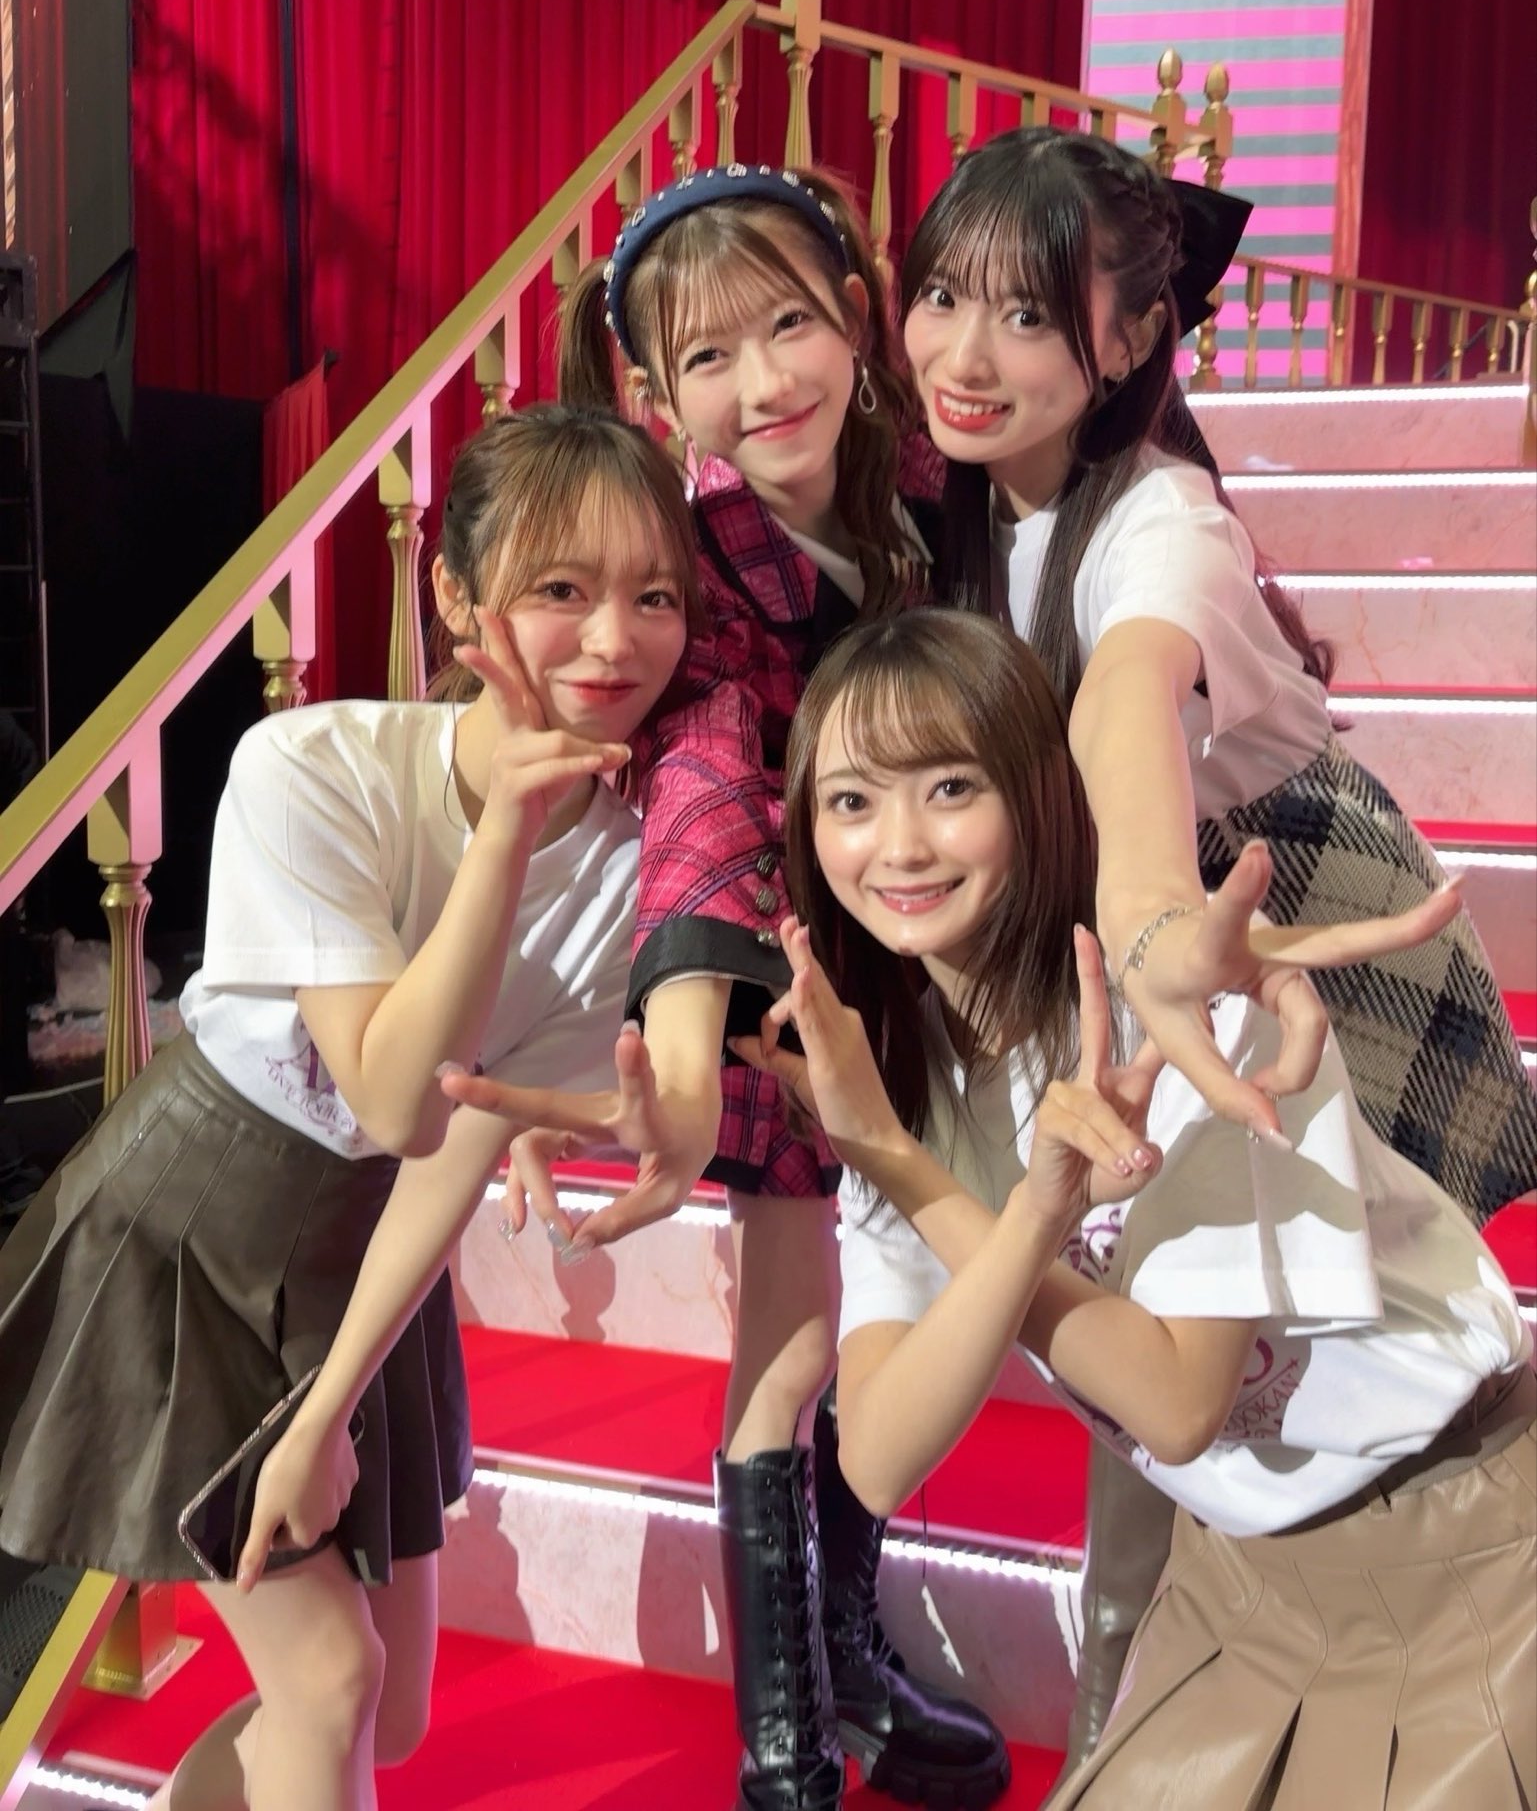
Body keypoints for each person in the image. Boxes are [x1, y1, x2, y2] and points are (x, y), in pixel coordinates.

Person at [897, 126, 1537, 1754]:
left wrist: (1151, 929)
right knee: (1184, 1393)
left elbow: (1121, 703)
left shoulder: (1160, 521)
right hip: (1190, 963)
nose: (963, 353)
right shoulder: (982, 497)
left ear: (1126, 340)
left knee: (1261, 1395)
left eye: (1025, 315)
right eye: (942, 297)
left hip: (1285, 952)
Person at [0, 405, 695, 1811]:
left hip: (367, 1258)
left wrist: (325, 1408)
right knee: (327, 1680)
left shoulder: (634, 867)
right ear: (458, 593)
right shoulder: (311, 766)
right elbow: (387, 1093)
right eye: (561, 588)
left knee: (391, 1713)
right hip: (191, 1231)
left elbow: (450, 1144)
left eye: (655, 596)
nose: (612, 640)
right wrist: (501, 835)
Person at [737, 606, 1533, 1811]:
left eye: (949, 787)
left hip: (1464, 1536)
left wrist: (907, 1168)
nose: (897, 844)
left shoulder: (1184, 1017)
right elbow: (881, 1456)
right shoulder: (900, 1082)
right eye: (851, 800)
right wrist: (941, 1175)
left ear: (1035, 794)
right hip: (1247, 1574)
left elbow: (1174, 1400)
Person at [521, 164, 1010, 1811]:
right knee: (792, 1347)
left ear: (858, 318)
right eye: (707, 358)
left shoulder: (935, 478)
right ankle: (782, 1726)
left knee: (909, 1318)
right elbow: (705, 782)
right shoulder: (703, 565)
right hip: (782, 971)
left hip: (942, 945)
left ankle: (849, 1657)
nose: (762, 382)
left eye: (788, 324)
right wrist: (687, 1032)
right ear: (659, 397)